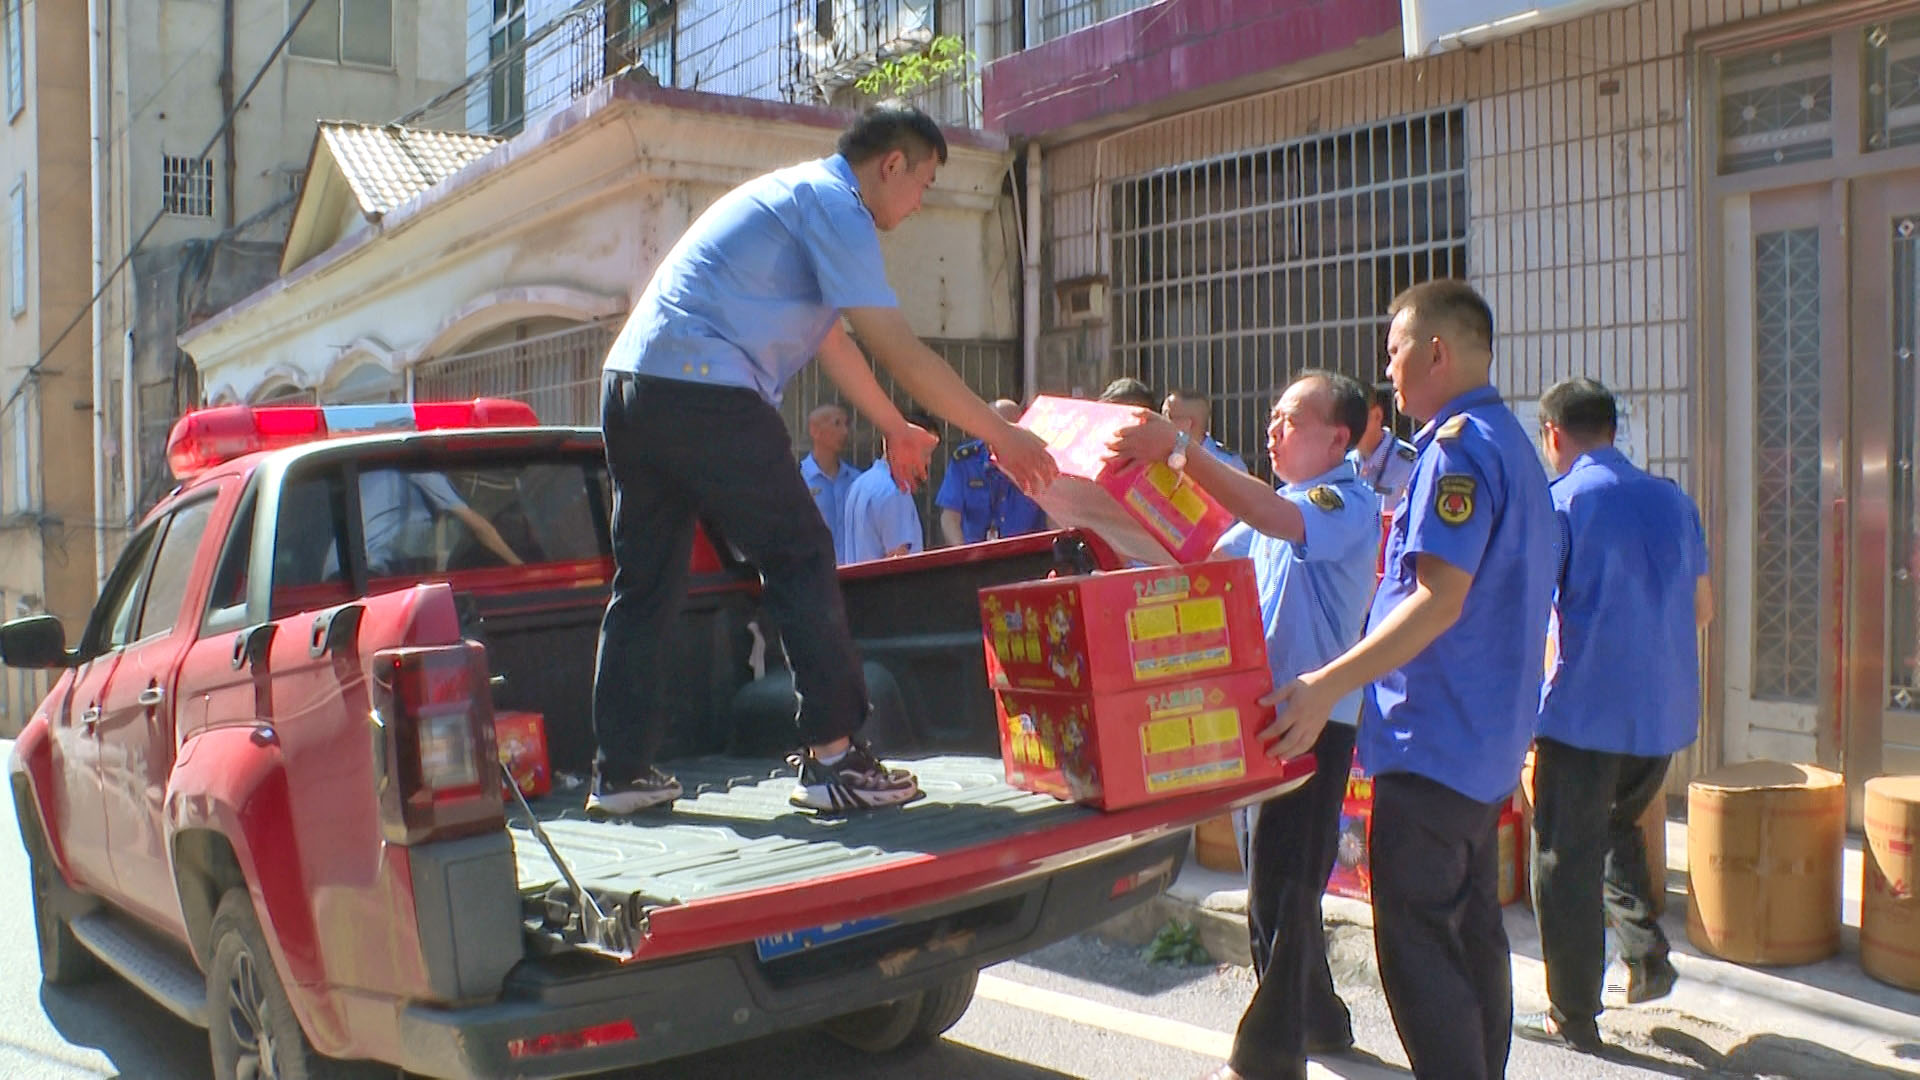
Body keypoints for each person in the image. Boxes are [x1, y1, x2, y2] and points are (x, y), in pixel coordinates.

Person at [591, 101, 1058, 817]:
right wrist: (1001, 436)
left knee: (647, 582)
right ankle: (834, 757)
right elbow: (899, 347)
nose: (920, 201)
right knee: (802, 552)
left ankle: (618, 773)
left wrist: (896, 426)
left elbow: (833, 342)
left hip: (633, 388)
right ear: (891, 164)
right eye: (925, 183)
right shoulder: (837, 204)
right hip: (706, 387)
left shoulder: (795, 198)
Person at [1259, 281, 1558, 1080]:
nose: (1386, 369)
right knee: (1471, 930)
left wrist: (1326, 682)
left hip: (1437, 737)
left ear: (1436, 351)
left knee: (1418, 940)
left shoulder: (1460, 452)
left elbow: (1437, 600)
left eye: (1394, 350)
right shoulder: (1512, 447)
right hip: (1483, 740)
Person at [1111, 372, 1380, 1080]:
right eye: (1271, 416)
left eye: (1290, 420)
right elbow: (1199, 556)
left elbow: (1270, 520)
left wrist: (1176, 448)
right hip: (1268, 721)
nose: (1272, 430)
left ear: (1338, 439)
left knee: (1281, 892)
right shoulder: (1278, 508)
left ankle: (1267, 1059)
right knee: (1284, 883)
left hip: (1315, 724)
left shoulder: (1343, 502)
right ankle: (1321, 1020)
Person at [1518, 377, 1711, 1052]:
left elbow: (1529, 612)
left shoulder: (1561, 503)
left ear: (1553, 435)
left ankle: (1572, 1014)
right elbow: (1703, 608)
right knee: (1617, 826)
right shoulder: (1673, 500)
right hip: (1662, 716)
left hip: (1582, 713)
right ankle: (1644, 951)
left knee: (1563, 859)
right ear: (1612, 428)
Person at [357, 467, 523, 576]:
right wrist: (519, 566)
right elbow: (479, 527)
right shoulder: (421, 470)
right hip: (373, 569)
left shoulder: (382, 468)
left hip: (359, 567)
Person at [937, 399, 1049, 545]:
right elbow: (950, 517)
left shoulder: (1038, 460)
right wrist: (962, 554)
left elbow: (1053, 517)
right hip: (976, 557)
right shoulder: (965, 462)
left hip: (1026, 556)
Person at [846, 419, 935, 560]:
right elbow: (898, 562)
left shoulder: (860, 484)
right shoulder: (896, 490)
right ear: (905, 448)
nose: (929, 461)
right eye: (925, 453)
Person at [799, 403, 859, 563]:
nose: (845, 432)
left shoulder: (856, 481)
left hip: (855, 573)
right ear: (814, 430)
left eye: (847, 424)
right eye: (837, 424)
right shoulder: (798, 480)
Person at [1353, 382, 1418, 510]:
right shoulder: (1343, 464)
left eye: (1356, 418)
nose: (1349, 426)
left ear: (1377, 415)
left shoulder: (1410, 464)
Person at [1163, 388, 1249, 473]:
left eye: (1167, 417)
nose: (1160, 422)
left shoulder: (1228, 464)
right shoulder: (1158, 456)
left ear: (1187, 424)